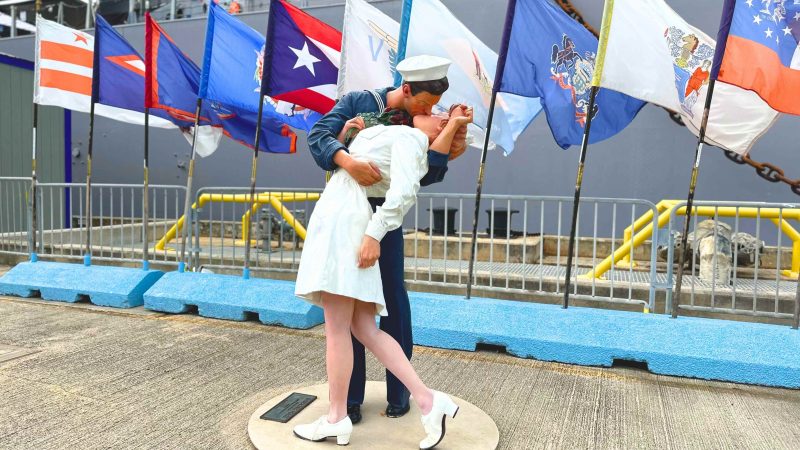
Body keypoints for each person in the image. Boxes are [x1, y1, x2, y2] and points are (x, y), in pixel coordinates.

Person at [294, 104, 473, 448]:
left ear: (437, 132)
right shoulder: (399, 132)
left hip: (345, 222)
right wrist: (348, 133)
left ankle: (336, 417)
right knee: (362, 328)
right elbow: (335, 145)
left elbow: (404, 192)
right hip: (350, 218)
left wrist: (373, 234)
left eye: (438, 117)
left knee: (337, 328)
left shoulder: (409, 137)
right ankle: (427, 400)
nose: (432, 112)